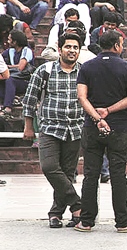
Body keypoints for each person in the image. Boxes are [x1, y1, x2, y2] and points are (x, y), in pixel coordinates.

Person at [75, 29, 127, 233]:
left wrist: (96, 118)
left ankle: (86, 221)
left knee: (90, 174)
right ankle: (122, 222)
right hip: (119, 127)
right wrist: (109, 111)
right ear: (117, 45)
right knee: (118, 175)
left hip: (92, 128)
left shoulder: (86, 67)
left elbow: (81, 97)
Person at [22, 32, 84, 228]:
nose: (71, 51)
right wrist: (28, 126)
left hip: (75, 128)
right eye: (68, 47)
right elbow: (30, 99)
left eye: (75, 47)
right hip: (50, 128)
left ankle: (55, 213)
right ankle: (77, 204)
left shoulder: (84, 72)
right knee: (49, 166)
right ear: (60, 49)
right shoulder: (45, 70)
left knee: (67, 173)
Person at [0, 31, 34, 120]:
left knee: (9, 79)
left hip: (24, 80)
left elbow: (20, 67)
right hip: (13, 78)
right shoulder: (10, 51)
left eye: (9, 39)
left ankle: (8, 108)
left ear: (15, 42)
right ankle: (11, 100)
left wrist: (6, 67)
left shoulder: (27, 51)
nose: (7, 41)